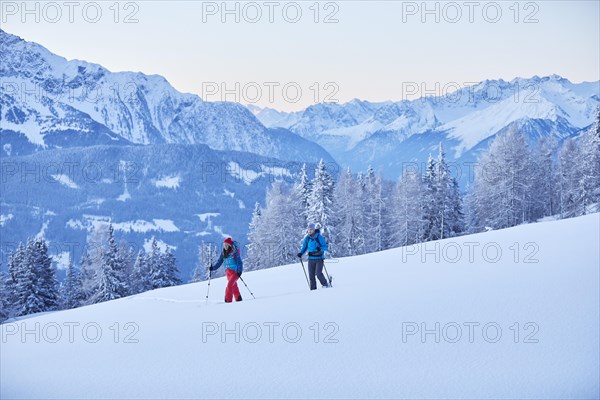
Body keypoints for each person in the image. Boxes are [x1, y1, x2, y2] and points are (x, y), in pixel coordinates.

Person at [209, 237, 244, 303]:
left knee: (230, 285)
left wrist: (239, 271)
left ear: (230, 246)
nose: (225, 246)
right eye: (224, 245)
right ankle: (238, 299)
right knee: (233, 285)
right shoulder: (223, 253)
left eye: (226, 245)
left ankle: (228, 301)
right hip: (228, 272)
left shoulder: (234, 253)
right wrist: (213, 268)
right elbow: (219, 262)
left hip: (235, 272)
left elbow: (239, 262)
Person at [297, 223, 330, 290]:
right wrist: (301, 253)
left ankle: (325, 285)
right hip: (311, 259)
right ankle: (313, 290)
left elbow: (325, 247)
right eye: (308, 229)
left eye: (311, 229)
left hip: (319, 259)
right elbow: (304, 247)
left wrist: (320, 248)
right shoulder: (307, 238)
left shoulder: (319, 237)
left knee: (318, 274)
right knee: (311, 276)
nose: (309, 231)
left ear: (314, 229)